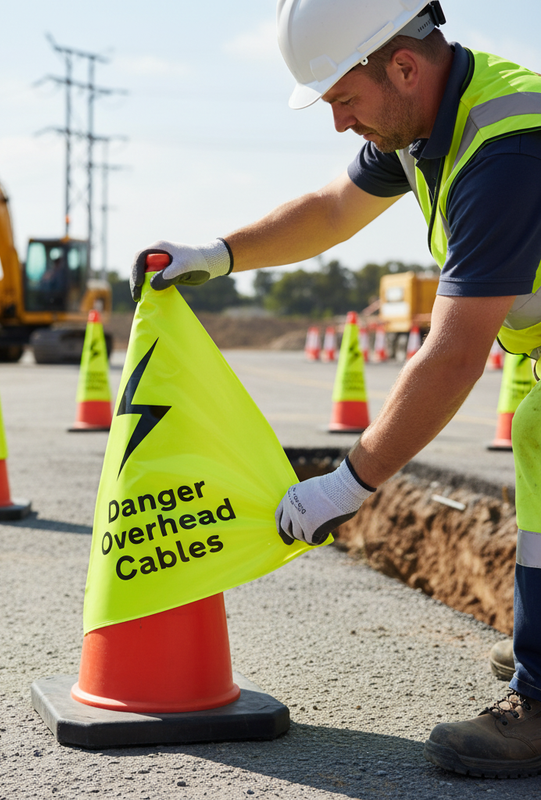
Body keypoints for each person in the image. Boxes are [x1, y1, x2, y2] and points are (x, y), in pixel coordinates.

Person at [129, 0, 541, 779]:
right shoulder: (424, 119)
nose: (340, 124)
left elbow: (454, 354)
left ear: (404, 66)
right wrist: (216, 254)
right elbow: (329, 211)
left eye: (343, 101)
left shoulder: (507, 147)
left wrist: (349, 485)